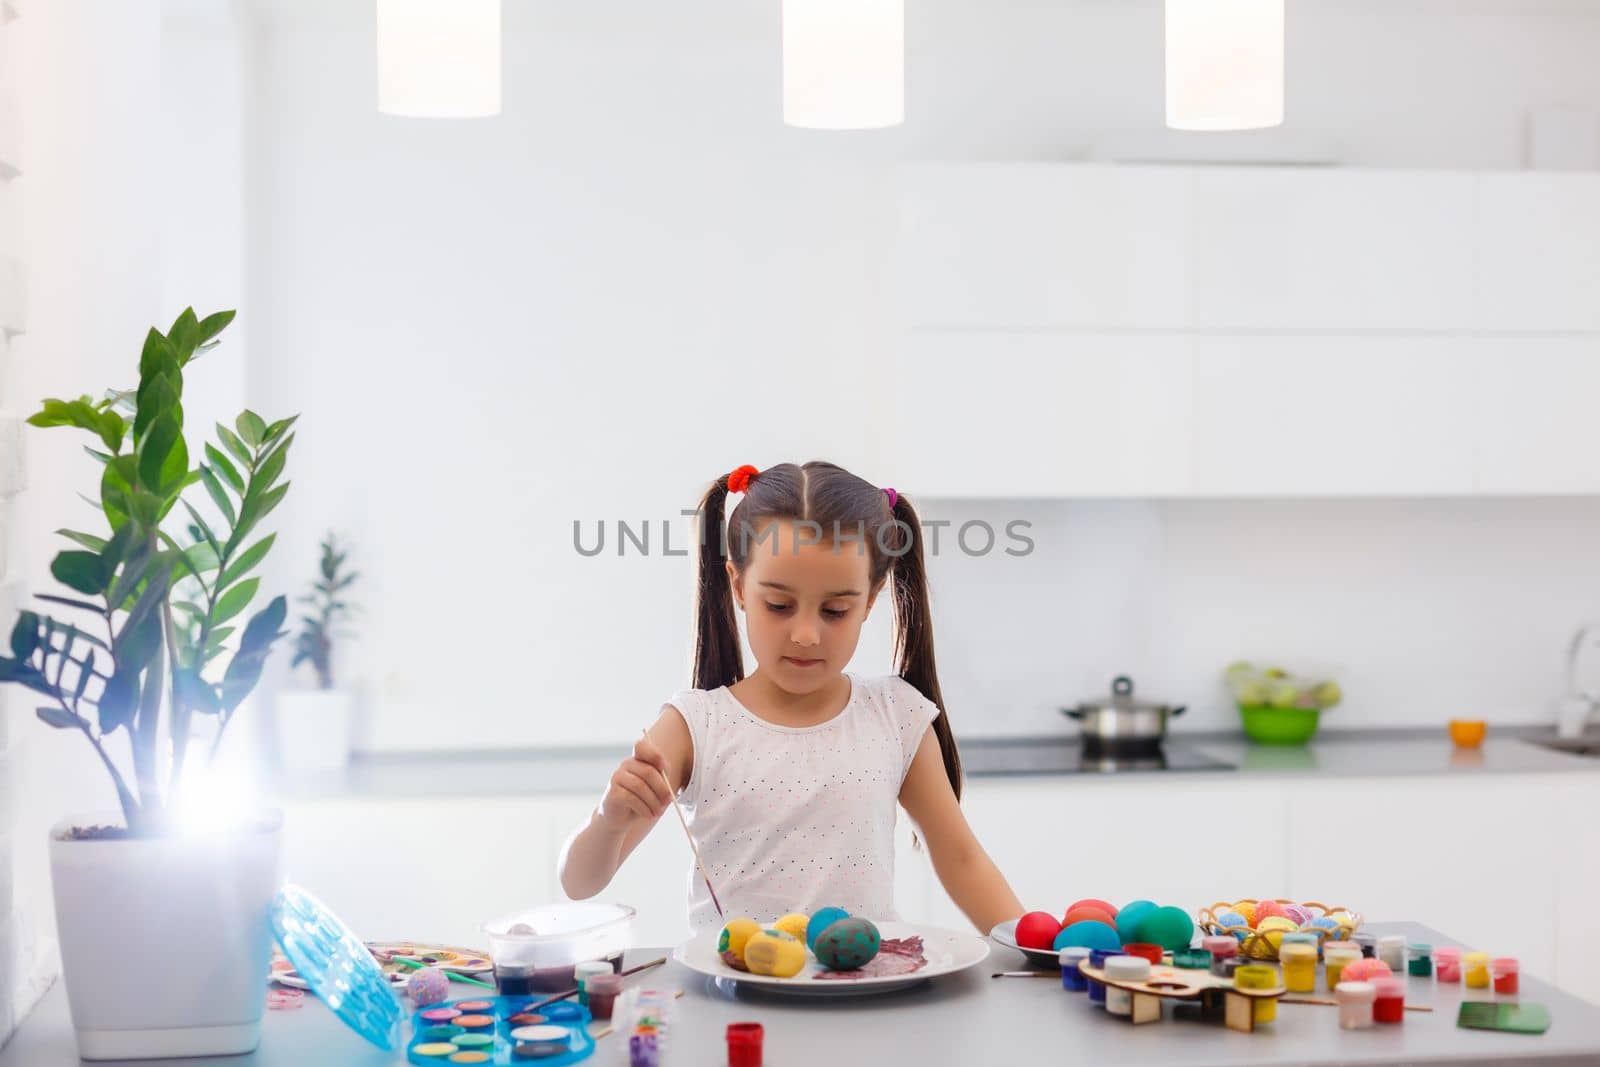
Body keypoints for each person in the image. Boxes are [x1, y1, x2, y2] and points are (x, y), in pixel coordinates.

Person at [558, 460, 1024, 934]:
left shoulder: (895, 716)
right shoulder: (695, 724)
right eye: (779, 606)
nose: (805, 634)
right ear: (738, 585)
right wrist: (609, 819)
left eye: (835, 610)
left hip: (866, 997)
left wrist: (1033, 948)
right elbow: (579, 883)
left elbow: (963, 861)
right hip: (740, 999)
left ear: (869, 599)